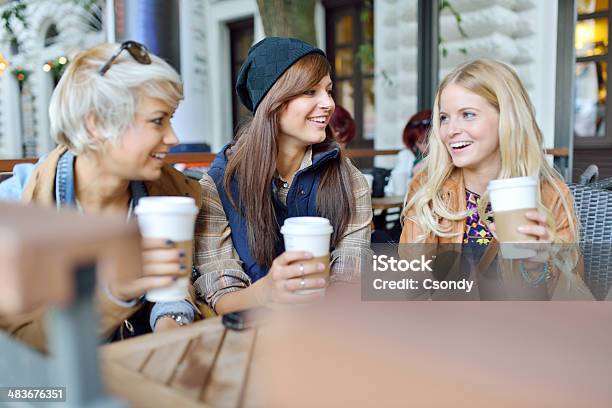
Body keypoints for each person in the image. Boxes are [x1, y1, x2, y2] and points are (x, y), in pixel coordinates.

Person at [0, 42, 201, 352]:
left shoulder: (173, 192)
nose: (173, 138)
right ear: (97, 124)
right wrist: (114, 296)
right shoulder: (15, 208)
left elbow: (174, 283)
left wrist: (170, 321)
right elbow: (17, 345)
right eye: (158, 120)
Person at [193, 37, 372, 314]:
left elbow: (349, 282)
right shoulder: (219, 186)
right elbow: (222, 299)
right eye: (310, 92)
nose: (328, 104)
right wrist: (267, 291)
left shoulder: (349, 181)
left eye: (328, 90)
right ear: (272, 101)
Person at [400, 59, 582, 299]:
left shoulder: (551, 195)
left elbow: (567, 297)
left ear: (507, 118)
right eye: (444, 117)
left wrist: (536, 266)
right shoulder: (428, 190)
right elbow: (409, 291)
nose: (450, 130)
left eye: (467, 114)